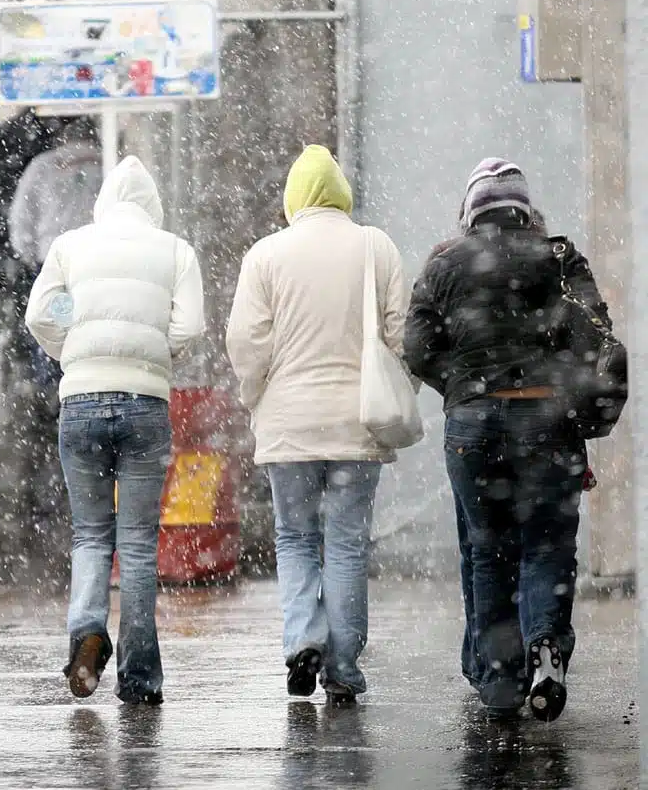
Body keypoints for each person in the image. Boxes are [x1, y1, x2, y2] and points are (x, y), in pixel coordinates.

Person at [404, 158, 612, 721]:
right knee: (547, 544)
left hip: (473, 425)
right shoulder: (559, 259)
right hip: (546, 420)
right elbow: (595, 340)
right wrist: (571, 400)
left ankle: (499, 685)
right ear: (524, 207)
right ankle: (545, 646)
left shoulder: (445, 263)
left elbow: (418, 347)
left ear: (473, 209)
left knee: (487, 550)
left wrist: (468, 387)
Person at [225, 145, 407, 705]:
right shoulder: (375, 245)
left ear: (293, 198)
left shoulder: (266, 255)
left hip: (289, 427)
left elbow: (244, 342)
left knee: (295, 537)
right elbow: (401, 331)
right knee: (348, 545)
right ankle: (344, 670)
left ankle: (304, 639)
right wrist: (398, 387)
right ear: (341, 194)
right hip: (359, 423)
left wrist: (256, 394)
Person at [25, 155, 205, 705]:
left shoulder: (70, 247)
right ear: (151, 207)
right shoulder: (175, 249)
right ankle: (140, 676)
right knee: (139, 545)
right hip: (145, 404)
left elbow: (41, 316)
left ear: (103, 203)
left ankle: (86, 629)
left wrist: (71, 358)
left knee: (90, 534)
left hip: (80, 401)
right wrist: (155, 357)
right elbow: (190, 325)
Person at [9, 117, 106, 391]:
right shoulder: (108, 163)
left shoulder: (42, 166)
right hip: (97, 255)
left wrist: (26, 253)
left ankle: (54, 381)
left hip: (54, 258)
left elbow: (21, 216)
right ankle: (92, 375)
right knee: (93, 316)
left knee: (56, 319)